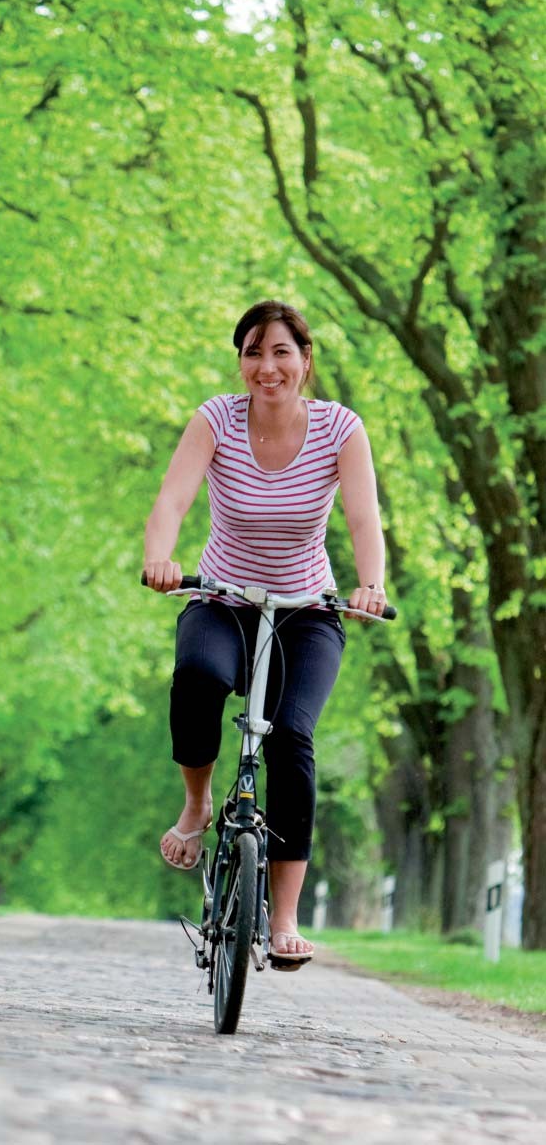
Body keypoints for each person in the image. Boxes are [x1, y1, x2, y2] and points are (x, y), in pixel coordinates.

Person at [143, 300, 386, 968]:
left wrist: (372, 583)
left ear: (306, 361)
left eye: (282, 351)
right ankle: (196, 805)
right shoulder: (216, 418)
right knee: (197, 676)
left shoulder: (340, 428)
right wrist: (161, 556)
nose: (267, 365)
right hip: (222, 597)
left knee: (293, 735)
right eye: (254, 351)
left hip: (306, 609)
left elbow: (364, 518)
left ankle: (284, 916)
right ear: (241, 362)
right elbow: (173, 499)